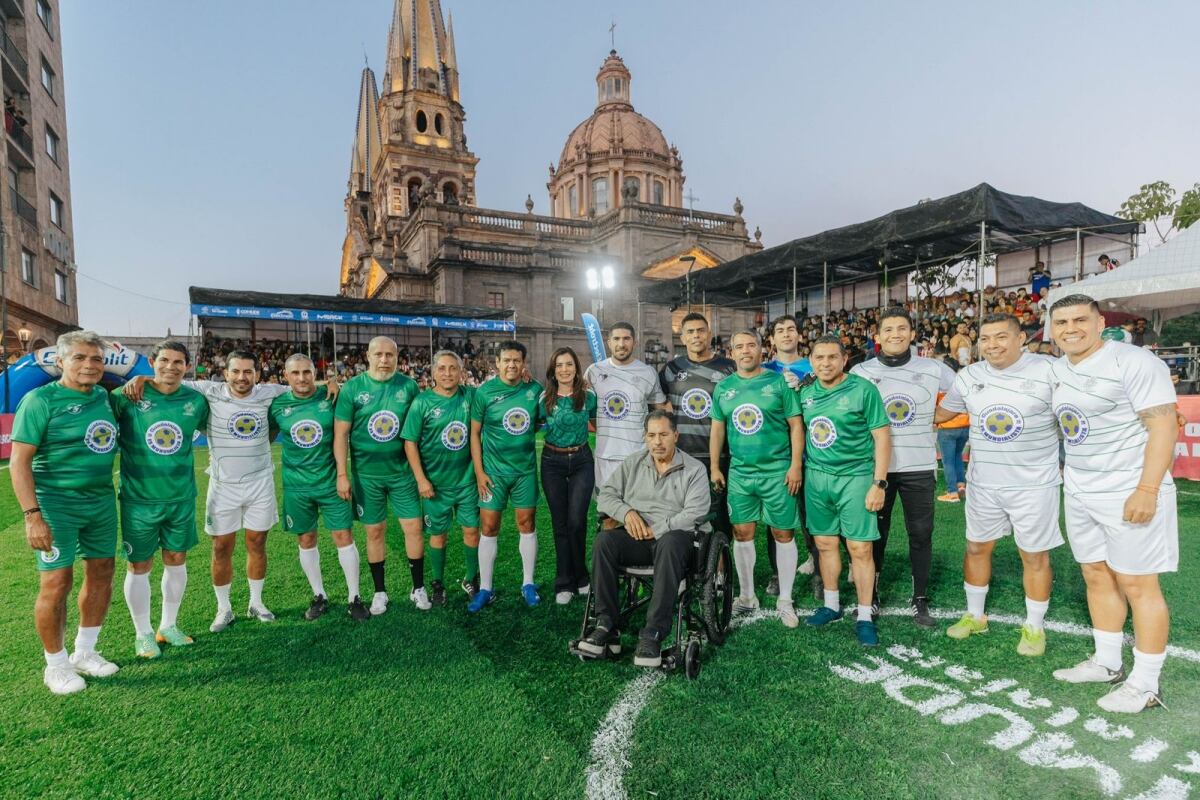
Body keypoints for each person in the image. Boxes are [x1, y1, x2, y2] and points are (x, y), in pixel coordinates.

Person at [1048, 295, 1179, 713]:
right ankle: (1107, 662)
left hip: (1128, 488)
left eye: (1080, 320)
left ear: (1099, 322)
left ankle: (1145, 684)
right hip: (1082, 489)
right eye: (1062, 322)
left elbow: (1162, 426)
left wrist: (1147, 489)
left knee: (1138, 584)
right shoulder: (1057, 369)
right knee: (1096, 574)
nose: (1071, 328)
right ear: (1052, 329)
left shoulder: (1134, 361)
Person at [126, 349, 300, 632]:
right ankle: (224, 608)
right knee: (221, 547)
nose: (242, 377)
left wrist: (328, 383)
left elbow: (302, 384)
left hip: (260, 483)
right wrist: (144, 379)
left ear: (257, 374)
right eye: (236, 371)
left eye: (248, 372)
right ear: (225, 372)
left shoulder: (269, 393)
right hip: (223, 485)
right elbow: (168, 379)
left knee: (257, 543)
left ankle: (256, 602)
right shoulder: (208, 390)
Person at [934, 315, 1064, 656]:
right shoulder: (969, 375)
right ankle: (975, 616)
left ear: (1021, 337)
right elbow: (942, 415)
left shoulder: (1050, 370)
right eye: (986, 338)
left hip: (1034, 485)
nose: (992, 344)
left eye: (1001, 337)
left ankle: (1035, 626)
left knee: (1034, 555)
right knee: (977, 548)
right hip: (983, 484)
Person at [11, 331, 121, 694]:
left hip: (102, 501)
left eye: (95, 358)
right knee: (57, 582)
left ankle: (85, 652)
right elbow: (19, 462)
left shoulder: (104, 397)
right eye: (79, 358)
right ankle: (55, 665)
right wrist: (33, 515)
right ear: (60, 362)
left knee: (102, 571)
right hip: (56, 505)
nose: (89, 365)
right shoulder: (40, 400)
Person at [581, 410, 711, 666]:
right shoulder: (634, 463)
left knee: (671, 542)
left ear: (676, 435)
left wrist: (658, 528)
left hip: (676, 541)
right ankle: (607, 624)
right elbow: (605, 496)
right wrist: (627, 512)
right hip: (638, 538)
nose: (657, 442)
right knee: (604, 542)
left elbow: (697, 511)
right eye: (651, 435)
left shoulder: (694, 469)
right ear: (645, 437)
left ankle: (653, 632)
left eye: (663, 435)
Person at [851, 308, 955, 627]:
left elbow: (962, 393)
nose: (895, 334)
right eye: (888, 330)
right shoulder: (860, 371)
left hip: (919, 466)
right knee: (875, 533)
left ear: (912, 334)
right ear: (877, 337)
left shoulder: (934, 368)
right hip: (875, 470)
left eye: (902, 329)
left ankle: (919, 597)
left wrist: (937, 415)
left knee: (921, 533)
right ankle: (874, 591)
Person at [111, 340, 210, 658]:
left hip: (180, 497)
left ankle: (168, 626)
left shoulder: (196, 401)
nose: (171, 367)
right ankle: (142, 633)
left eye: (178, 362)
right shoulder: (127, 396)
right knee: (139, 565)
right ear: (152, 362)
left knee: (177, 560)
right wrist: (140, 381)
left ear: (187, 367)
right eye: (164, 361)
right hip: (139, 499)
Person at [709, 330, 804, 628]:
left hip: (777, 471)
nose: (746, 350)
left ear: (762, 350)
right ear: (732, 352)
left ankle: (785, 600)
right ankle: (748, 597)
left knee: (783, 534)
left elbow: (796, 426)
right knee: (742, 533)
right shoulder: (723, 388)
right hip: (741, 472)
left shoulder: (779, 383)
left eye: (751, 345)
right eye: (739, 346)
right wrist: (714, 466)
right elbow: (717, 430)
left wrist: (795, 465)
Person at [801, 335, 891, 647]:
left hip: (856, 477)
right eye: (819, 358)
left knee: (860, 549)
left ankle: (865, 615)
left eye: (832, 358)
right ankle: (832, 604)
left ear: (844, 360)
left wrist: (879, 483)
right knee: (825, 544)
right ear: (811, 360)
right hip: (817, 478)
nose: (825, 363)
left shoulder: (863, 389)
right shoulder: (805, 393)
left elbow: (882, 437)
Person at [270, 354, 369, 621]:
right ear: (286, 376)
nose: (302, 378)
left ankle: (354, 597)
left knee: (343, 537)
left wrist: (334, 381)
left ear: (315, 373)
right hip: (296, 486)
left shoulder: (332, 396)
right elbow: (265, 437)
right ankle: (319, 595)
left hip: (331, 482)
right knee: (306, 539)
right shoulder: (277, 405)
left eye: (307, 372)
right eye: (295, 373)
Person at [334, 336, 421, 614]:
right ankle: (380, 592)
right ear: (368, 357)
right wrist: (342, 474)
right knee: (374, 531)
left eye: (390, 355)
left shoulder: (409, 386)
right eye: (379, 354)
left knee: (413, 528)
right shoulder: (353, 388)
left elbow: (419, 427)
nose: (384, 360)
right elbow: (341, 435)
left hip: (402, 473)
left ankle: (418, 587)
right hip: (366, 476)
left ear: (398, 358)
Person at [468, 340, 544, 612]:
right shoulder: (485, 393)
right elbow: (474, 434)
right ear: (497, 363)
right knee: (488, 527)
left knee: (527, 523)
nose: (512, 365)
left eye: (517, 360)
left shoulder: (534, 390)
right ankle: (486, 588)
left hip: (524, 472)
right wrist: (479, 471)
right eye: (506, 360)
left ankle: (528, 583)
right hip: (493, 473)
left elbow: (540, 422)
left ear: (524, 363)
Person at [402, 350, 479, 608]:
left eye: (453, 368)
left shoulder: (470, 396)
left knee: (471, 530)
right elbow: (410, 443)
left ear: (461, 372)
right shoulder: (422, 403)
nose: (447, 373)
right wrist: (422, 480)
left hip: (467, 480)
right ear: (433, 373)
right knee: (438, 535)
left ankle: (471, 579)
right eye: (442, 368)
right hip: (435, 485)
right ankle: (437, 582)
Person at [657, 311, 735, 551]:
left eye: (701, 330)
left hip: (719, 455)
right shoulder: (670, 369)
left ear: (709, 334)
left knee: (719, 515)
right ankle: (686, 563)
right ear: (682, 336)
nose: (696, 336)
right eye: (690, 331)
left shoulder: (728, 367)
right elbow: (660, 410)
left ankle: (722, 569)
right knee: (682, 512)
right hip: (682, 455)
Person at [762, 313, 818, 594]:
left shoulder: (814, 366)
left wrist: (807, 386)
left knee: (812, 516)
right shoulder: (761, 370)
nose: (786, 334)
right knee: (776, 518)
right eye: (780, 330)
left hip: (811, 452)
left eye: (791, 329)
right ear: (771, 339)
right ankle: (776, 574)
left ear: (798, 335)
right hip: (773, 454)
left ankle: (819, 569)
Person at [539, 347, 597, 604]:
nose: (564, 369)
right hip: (552, 462)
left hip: (582, 461)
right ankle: (564, 581)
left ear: (576, 368)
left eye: (569, 364)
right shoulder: (543, 399)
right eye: (559, 365)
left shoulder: (589, 397)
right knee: (560, 524)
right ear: (553, 370)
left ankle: (582, 576)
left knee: (576, 521)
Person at [585, 322, 666, 490]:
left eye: (626, 339)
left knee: (638, 511)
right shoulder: (594, 371)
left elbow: (659, 412)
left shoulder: (648, 372)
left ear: (634, 342)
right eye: (616, 339)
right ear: (609, 343)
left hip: (638, 455)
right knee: (607, 514)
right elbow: (572, 396)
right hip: (605, 455)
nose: (621, 344)